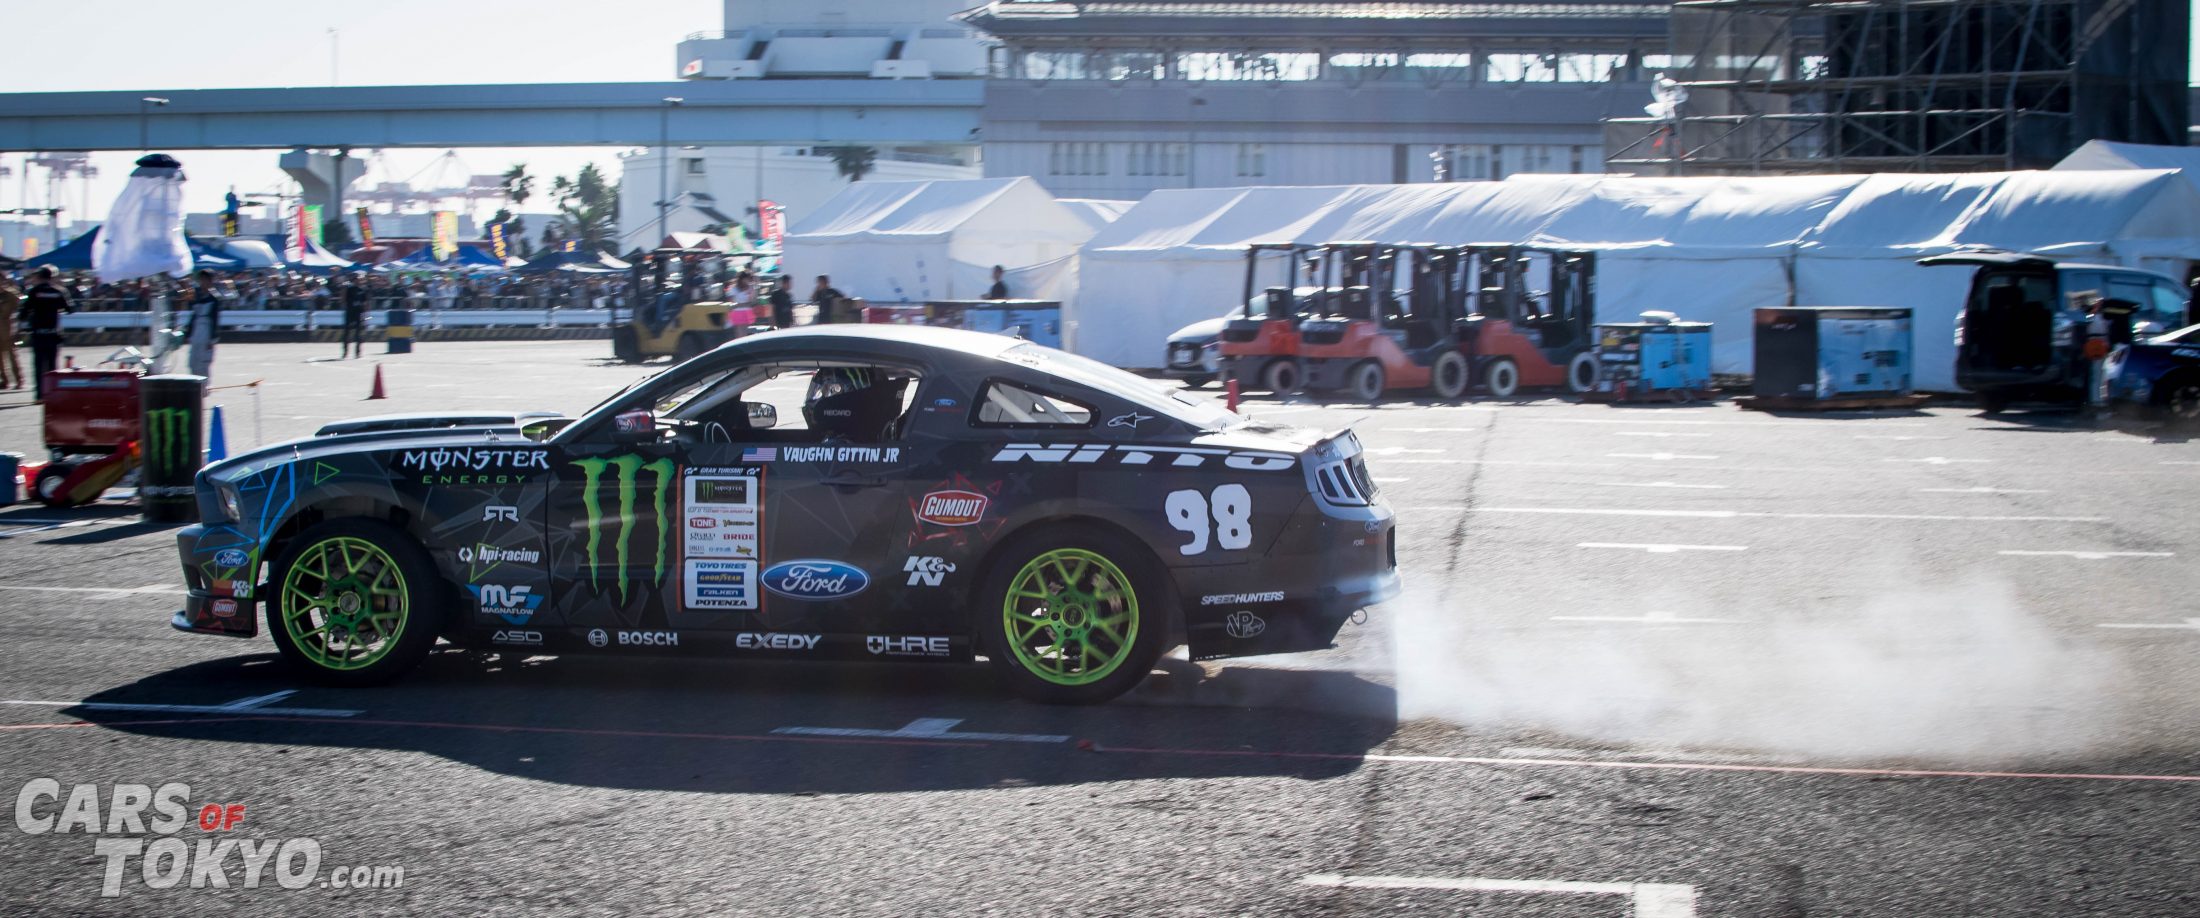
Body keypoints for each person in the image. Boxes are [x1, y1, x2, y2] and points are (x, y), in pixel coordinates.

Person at [21, 267, 71, 401]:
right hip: (53, 333)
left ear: (39, 277)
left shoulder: (34, 291)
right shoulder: (59, 291)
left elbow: (23, 313)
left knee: (38, 365)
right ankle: (52, 395)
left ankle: (39, 395)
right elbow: (70, 309)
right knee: (52, 365)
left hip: (38, 334)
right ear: (52, 276)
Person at [181, 270, 223, 383]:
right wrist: (188, 333)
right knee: (193, 361)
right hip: (196, 331)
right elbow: (193, 315)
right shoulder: (196, 297)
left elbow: (215, 319)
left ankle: (204, 386)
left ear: (210, 281)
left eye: (205, 280)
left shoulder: (214, 299)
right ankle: (193, 384)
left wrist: (212, 339)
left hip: (206, 330)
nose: (203, 282)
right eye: (201, 280)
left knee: (204, 361)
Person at [339, 275, 369, 359]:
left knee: (359, 334)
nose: (359, 281)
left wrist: (366, 315)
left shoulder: (363, 290)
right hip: (350, 312)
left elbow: (366, 302)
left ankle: (358, 352)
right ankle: (345, 352)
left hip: (359, 313)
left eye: (360, 280)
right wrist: (343, 289)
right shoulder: (349, 289)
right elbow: (343, 300)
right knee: (347, 334)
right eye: (357, 280)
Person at [0, 275, 22, 390]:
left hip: (9, 329)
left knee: (12, 356)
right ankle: (4, 380)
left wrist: (17, 328)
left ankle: (19, 380)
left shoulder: (11, 294)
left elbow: (19, 310)